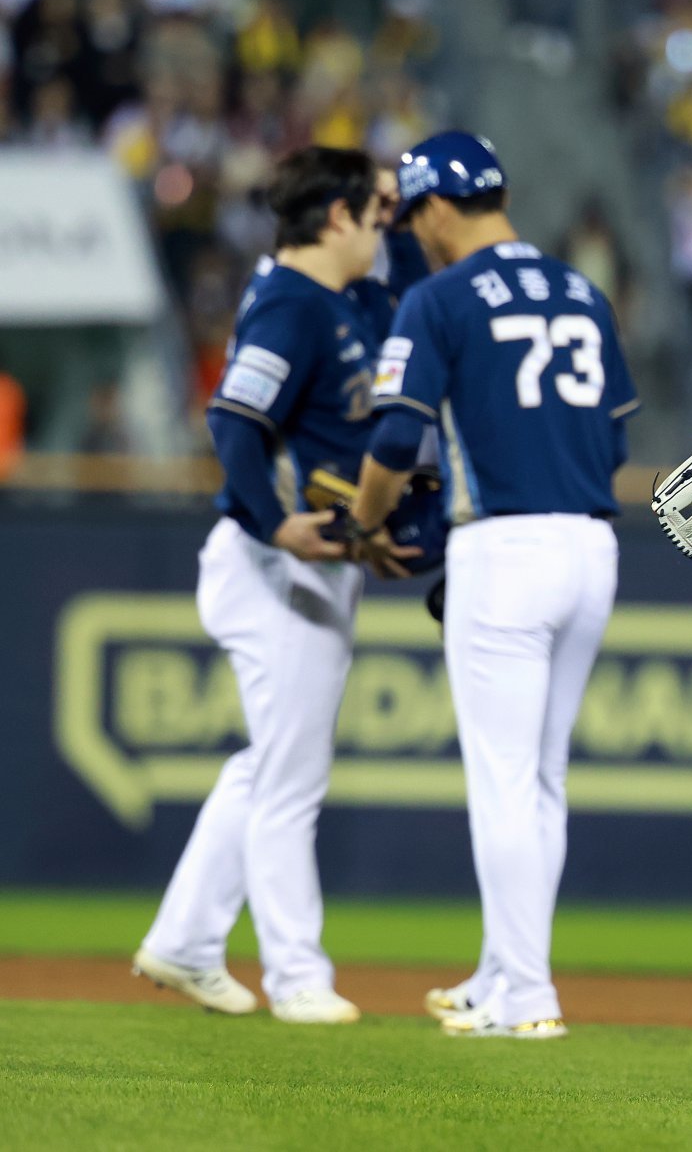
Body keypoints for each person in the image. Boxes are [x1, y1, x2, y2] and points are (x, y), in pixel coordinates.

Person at [348, 131, 638, 1038]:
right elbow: (616, 437)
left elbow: (396, 440)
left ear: (435, 206)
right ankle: (502, 977)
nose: (408, 229)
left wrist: (363, 523)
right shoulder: (583, 291)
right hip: (591, 547)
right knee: (542, 778)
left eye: (410, 211)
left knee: (504, 781)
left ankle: (530, 993)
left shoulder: (438, 296)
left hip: (504, 549)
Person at [135, 147, 406, 1024]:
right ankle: (299, 976)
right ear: (335, 217)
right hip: (272, 564)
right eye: (374, 212)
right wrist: (270, 521)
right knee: (291, 778)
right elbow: (233, 415)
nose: (384, 226)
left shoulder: (340, 298)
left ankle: (183, 941)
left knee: (268, 768)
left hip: (305, 564)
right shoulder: (293, 302)